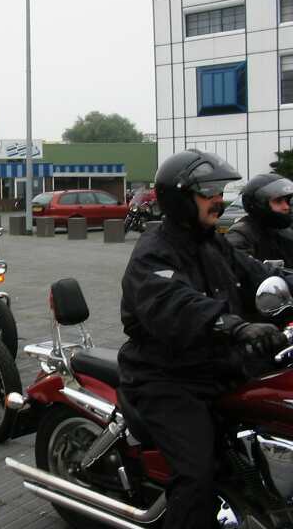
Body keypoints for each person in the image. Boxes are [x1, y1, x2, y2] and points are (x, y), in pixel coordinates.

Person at [118, 149, 288, 529]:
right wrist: (234, 326)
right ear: (180, 198)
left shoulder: (213, 242)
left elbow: (258, 275)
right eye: (208, 192)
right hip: (167, 378)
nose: (219, 199)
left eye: (220, 191)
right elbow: (176, 304)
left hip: (219, 367)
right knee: (198, 477)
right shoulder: (153, 253)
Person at [226, 173, 293, 267]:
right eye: (278, 201)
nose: (286, 207)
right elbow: (238, 269)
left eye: (287, 201)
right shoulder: (241, 236)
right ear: (259, 203)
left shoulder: (285, 232)